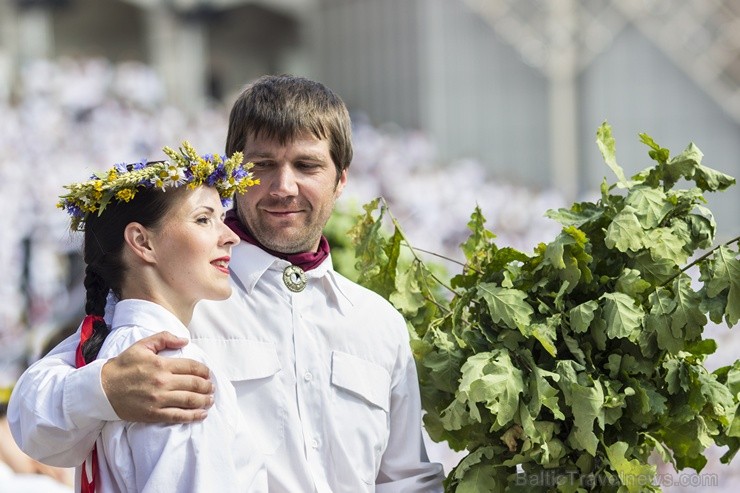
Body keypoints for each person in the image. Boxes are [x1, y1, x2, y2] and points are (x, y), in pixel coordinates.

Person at [9, 75, 445, 492]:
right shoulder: (177, 292)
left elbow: (408, 479)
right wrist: (102, 389)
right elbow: (32, 421)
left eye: (307, 165)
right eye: (263, 165)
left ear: (341, 179)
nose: (283, 186)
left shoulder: (378, 322)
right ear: (235, 173)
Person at [12, 143, 266, 492]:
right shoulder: (165, 366)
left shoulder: (108, 347)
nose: (230, 237)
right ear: (142, 242)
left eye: (221, 219)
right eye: (204, 219)